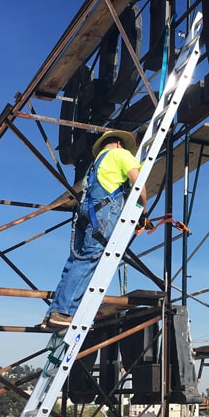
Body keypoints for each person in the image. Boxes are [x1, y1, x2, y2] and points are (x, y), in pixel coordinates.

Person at [41, 129, 147, 330]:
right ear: (118, 143)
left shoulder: (96, 164)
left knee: (76, 260)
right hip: (103, 212)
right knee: (90, 258)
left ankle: (54, 313)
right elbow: (139, 184)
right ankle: (63, 312)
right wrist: (143, 210)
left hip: (85, 212)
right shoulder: (121, 154)